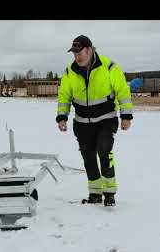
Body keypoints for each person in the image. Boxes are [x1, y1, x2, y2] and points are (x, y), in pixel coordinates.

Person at [56, 35, 133, 206]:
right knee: (88, 157)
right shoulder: (70, 71)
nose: (77, 56)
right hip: (82, 122)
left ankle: (110, 192)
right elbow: (64, 96)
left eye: (80, 52)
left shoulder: (109, 67)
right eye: (74, 53)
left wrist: (126, 116)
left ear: (90, 50)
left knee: (104, 152)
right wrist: (62, 116)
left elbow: (122, 92)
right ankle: (95, 193)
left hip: (106, 119)